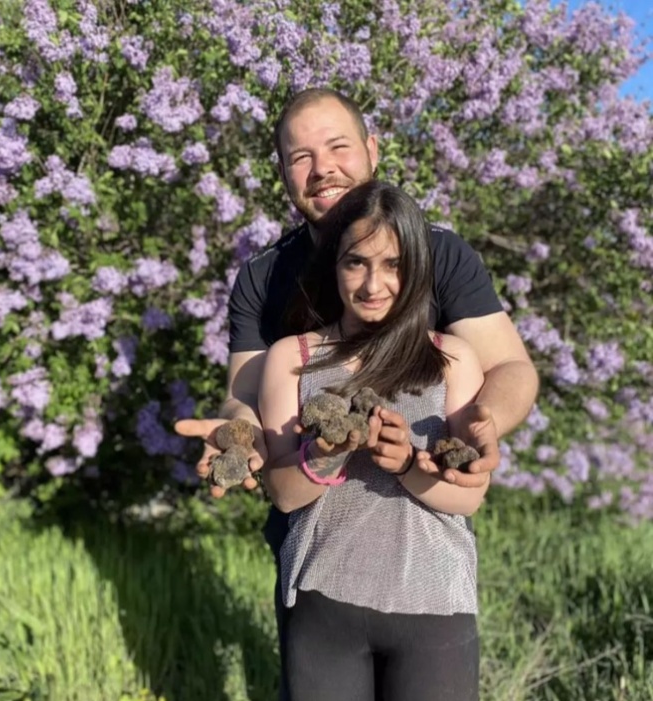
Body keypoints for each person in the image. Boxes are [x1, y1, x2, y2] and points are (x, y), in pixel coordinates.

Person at [175, 87, 538, 697]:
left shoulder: (439, 253)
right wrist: (242, 435)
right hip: (320, 558)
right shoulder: (264, 278)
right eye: (301, 157)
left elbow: (510, 368)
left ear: (372, 149)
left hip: (427, 566)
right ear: (283, 172)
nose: (322, 169)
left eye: (338, 147)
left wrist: (480, 426)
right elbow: (245, 398)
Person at [260, 179, 486, 701]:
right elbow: (283, 494)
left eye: (393, 264)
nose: (372, 284)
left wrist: (406, 464)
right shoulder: (293, 358)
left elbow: (470, 496)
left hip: (436, 605)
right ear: (334, 266)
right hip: (324, 602)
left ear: (418, 268)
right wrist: (324, 454)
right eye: (355, 263)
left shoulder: (452, 359)